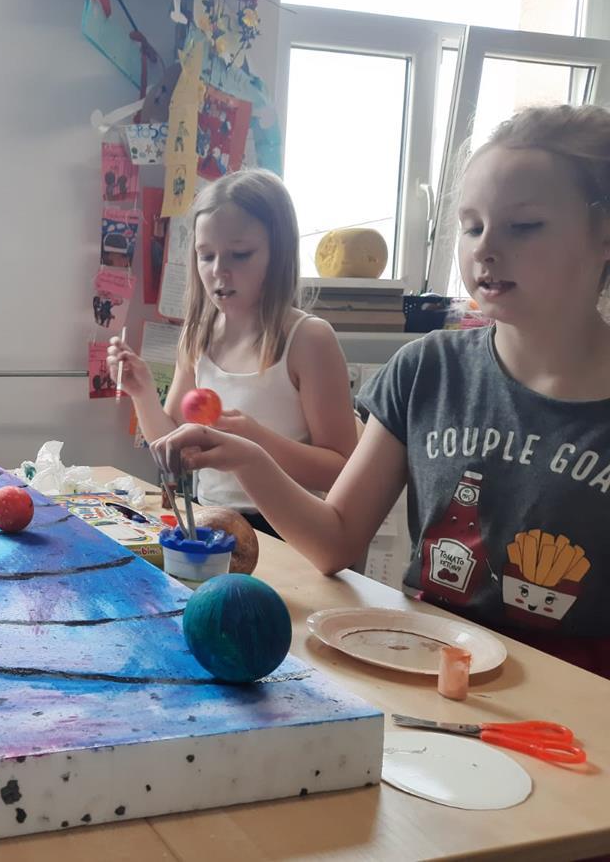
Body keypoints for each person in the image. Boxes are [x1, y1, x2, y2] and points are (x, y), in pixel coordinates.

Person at [154, 105, 610, 678]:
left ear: (603, 234)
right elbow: (334, 544)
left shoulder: (310, 338)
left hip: (580, 695)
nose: (485, 249)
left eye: (523, 226)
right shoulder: (425, 371)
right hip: (428, 661)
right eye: (472, 226)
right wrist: (248, 457)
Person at [109, 168, 357, 537]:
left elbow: (342, 470)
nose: (219, 271)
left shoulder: (309, 340)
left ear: (277, 254)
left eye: (240, 255)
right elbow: (174, 449)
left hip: (290, 531)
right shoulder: (198, 336)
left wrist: (256, 441)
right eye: (206, 255)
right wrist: (141, 391)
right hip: (212, 520)